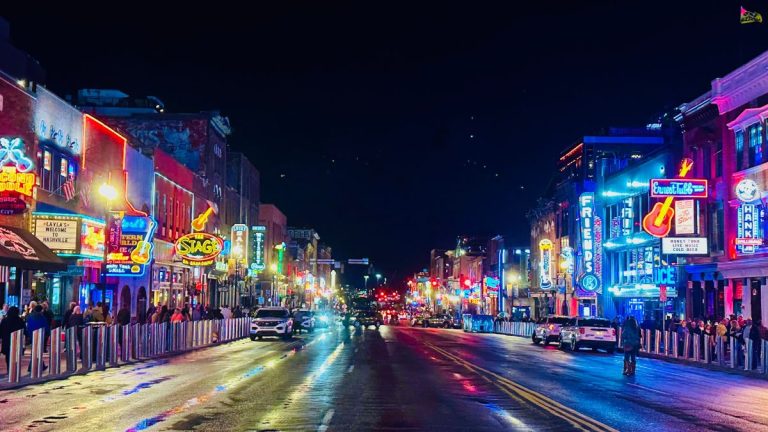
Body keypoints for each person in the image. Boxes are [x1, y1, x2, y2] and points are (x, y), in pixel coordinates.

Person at [0, 306, 24, 372]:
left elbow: (1, 330)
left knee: (8, 356)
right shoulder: (19, 320)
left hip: (6, 341)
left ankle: (9, 369)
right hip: (16, 340)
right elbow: (23, 329)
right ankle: (15, 369)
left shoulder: (4, 320)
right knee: (16, 355)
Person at [25, 305, 49, 371]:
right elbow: (46, 326)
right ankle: (34, 366)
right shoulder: (42, 317)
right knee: (38, 350)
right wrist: (47, 333)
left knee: (34, 350)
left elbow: (27, 325)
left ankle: (36, 366)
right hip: (40, 334)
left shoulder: (29, 316)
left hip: (32, 335)